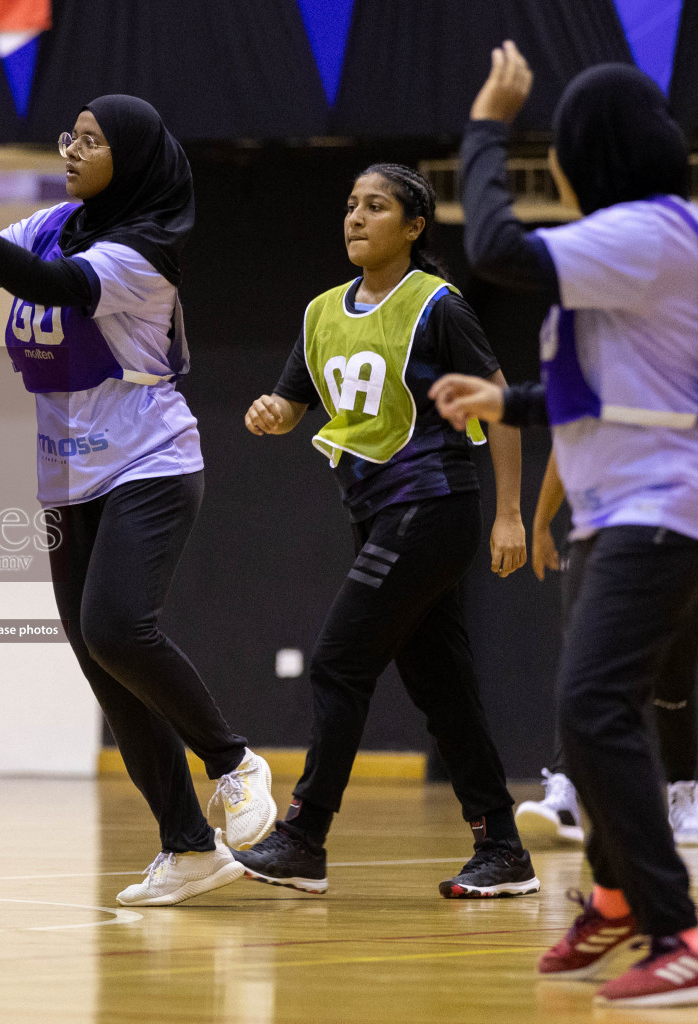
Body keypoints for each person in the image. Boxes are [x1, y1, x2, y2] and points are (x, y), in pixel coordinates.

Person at [0, 94, 276, 906]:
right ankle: (188, 849)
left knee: (118, 626)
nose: (72, 151)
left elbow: (48, 284)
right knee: (101, 662)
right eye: (68, 138)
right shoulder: (50, 222)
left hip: (149, 460)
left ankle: (232, 761)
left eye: (91, 140)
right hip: (64, 474)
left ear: (134, 159)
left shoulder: (143, 253)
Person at [435, 41, 698, 1007]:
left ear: (594, 153)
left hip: (660, 508)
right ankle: (623, 899)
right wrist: (509, 399)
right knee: (588, 720)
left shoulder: (648, 233)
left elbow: (496, 248)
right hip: (619, 508)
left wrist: (487, 127)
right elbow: (612, 384)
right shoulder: (645, 241)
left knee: (595, 710)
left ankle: (676, 928)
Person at [236, 162, 539, 899]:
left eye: (376, 207)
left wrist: (508, 514)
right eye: (350, 205)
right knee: (444, 689)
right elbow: (293, 399)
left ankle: (304, 837)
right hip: (375, 516)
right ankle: (502, 848)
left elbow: (498, 405)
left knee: (340, 661)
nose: (356, 218)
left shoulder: (438, 305)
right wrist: (274, 413)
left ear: (413, 227)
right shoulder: (320, 314)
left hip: (432, 509)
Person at [515, 452, 698, 847]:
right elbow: (565, 442)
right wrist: (541, 521)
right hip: (599, 525)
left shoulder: (677, 396)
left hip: (674, 525)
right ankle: (564, 789)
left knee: (673, 671)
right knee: (582, 665)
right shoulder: (593, 392)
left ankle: (683, 789)